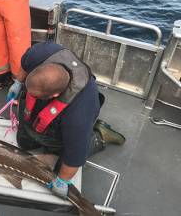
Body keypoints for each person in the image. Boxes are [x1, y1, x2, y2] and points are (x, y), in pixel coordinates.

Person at [16, 42, 125, 198]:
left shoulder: (78, 112)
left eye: (34, 95)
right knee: (24, 144)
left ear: (53, 96)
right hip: (48, 100)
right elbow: (26, 63)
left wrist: (62, 181)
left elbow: (75, 155)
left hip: (74, 121)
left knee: (61, 164)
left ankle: (98, 137)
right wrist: (18, 82)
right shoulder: (41, 52)